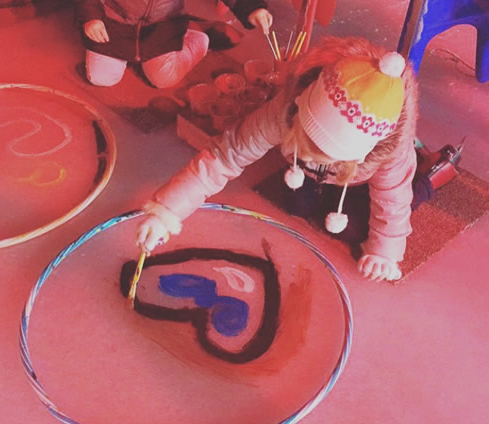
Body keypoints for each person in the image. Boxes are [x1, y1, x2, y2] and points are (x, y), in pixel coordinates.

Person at [135, 36, 449, 282]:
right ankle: (320, 179)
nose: (314, 149)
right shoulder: (281, 112)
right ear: (299, 105)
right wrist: (168, 209)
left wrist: (385, 254)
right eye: (307, 138)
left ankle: (431, 174)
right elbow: (225, 155)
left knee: (355, 229)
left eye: (324, 149)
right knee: (298, 205)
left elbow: (393, 202)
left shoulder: (391, 151)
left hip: (358, 181)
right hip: (306, 171)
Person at [74, 0, 273, 88]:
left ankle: (198, 36)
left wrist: (252, 7)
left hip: (162, 26)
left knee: (164, 79)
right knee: (102, 77)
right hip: (114, 21)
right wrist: (91, 17)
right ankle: (130, 55)